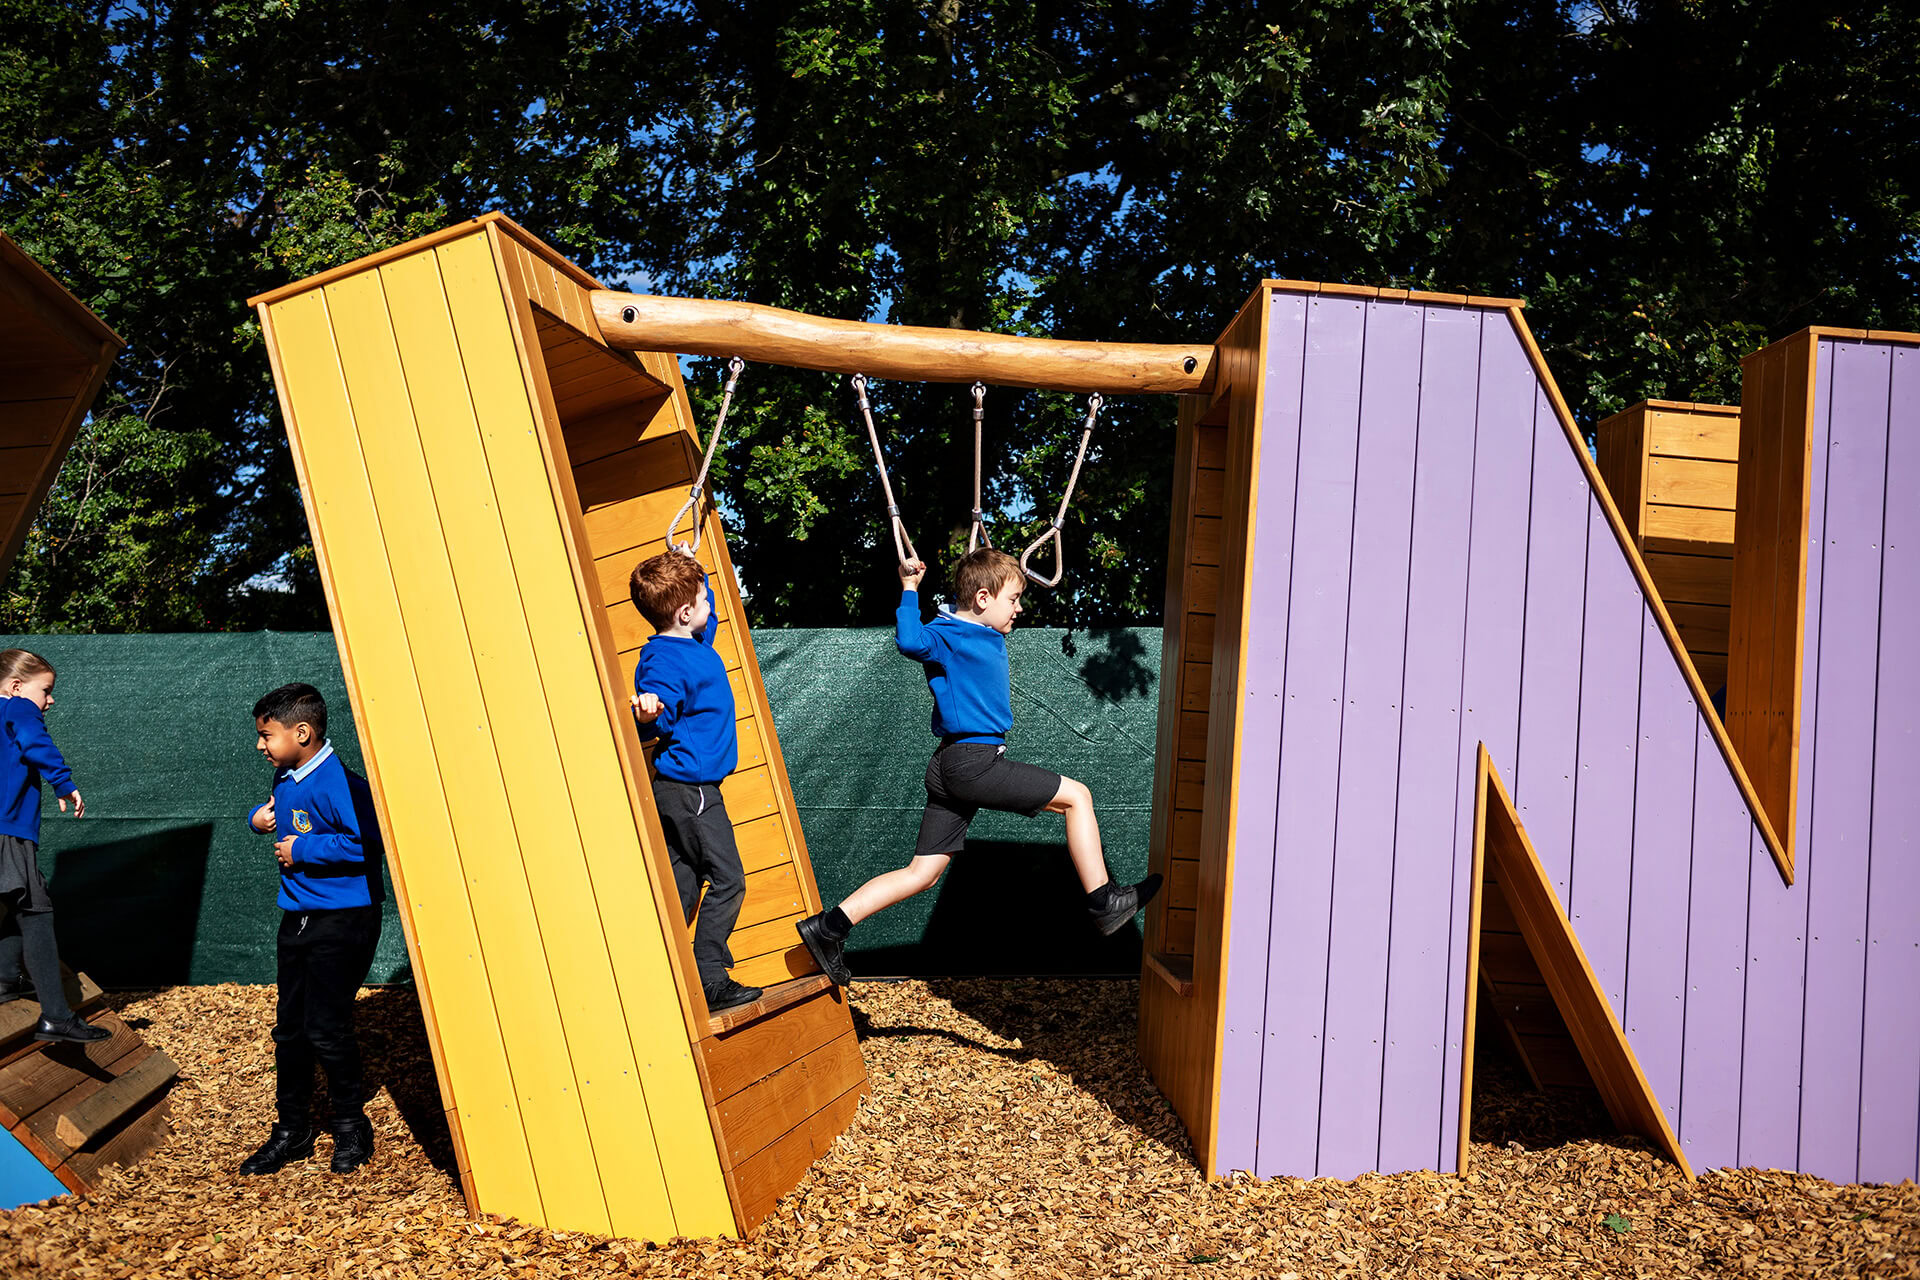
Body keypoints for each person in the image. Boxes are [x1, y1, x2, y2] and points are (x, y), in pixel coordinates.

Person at [795, 548, 1161, 984]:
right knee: (1077, 797)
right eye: (1013, 600)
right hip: (971, 763)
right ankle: (1103, 901)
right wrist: (909, 587)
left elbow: (976, 592)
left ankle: (829, 927)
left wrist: (985, 568)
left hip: (953, 764)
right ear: (984, 599)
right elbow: (910, 641)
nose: (1020, 608)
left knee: (922, 873)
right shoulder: (947, 635)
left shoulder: (980, 629)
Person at [238, 683, 384, 1177]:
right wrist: (258, 821)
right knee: (290, 1031)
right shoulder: (286, 774)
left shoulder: (342, 781)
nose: (260, 745)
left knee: (327, 1028)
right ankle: (292, 1131)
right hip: (297, 917)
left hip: (344, 918)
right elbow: (280, 818)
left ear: (302, 732)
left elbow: (366, 843)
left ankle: (349, 1126)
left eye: (266, 735)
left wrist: (302, 851)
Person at [629, 550, 762, 1013]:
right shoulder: (664, 659)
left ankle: (658, 971)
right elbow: (656, 707)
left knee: (685, 883)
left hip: (691, 791)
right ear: (685, 613)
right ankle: (709, 977)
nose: (711, 607)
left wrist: (689, 565)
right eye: (704, 599)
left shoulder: (695, 643)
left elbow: (708, 617)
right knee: (728, 880)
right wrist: (649, 711)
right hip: (692, 792)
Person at [0, 649, 108, 1044]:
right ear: (15, 687)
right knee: (37, 911)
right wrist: (63, 781)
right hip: (9, 832)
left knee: (14, 906)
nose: (50, 700)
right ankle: (57, 1016)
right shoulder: (16, 708)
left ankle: (6, 982)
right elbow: (33, 740)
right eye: (45, 690)